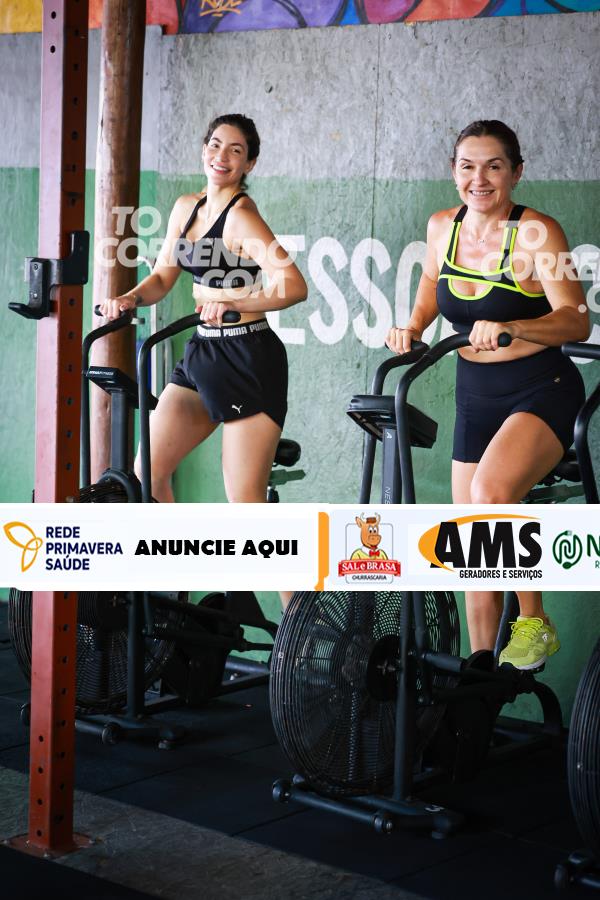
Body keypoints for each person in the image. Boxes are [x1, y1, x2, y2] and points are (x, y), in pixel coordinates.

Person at [385, 120, 590, 669]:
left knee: (490, 494)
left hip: (541, 389)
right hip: (476, 394)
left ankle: (534, 623)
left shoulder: (537, 232)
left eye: (494, 166)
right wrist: (413, 326)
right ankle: (482, 683)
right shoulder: (442, 227)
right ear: (454, 172)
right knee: (473, 547)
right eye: (468, 166)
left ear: (516, 172)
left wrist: (517, 327)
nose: (479, 178)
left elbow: (576, 320)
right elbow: (431, 283)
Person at [100, 114, 307, 609]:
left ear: (249, 164)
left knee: (245, 500)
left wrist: (237, 300)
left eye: (236, 150)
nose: (222, 156)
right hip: (203, 352)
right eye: (215, 145)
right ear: (203, 149)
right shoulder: (185, 208)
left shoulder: (241, 216)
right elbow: (163, 276)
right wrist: (129, 298)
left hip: (248, 356)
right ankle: (177, 599)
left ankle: (302, 622)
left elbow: (293, 285)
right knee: (148, 471)